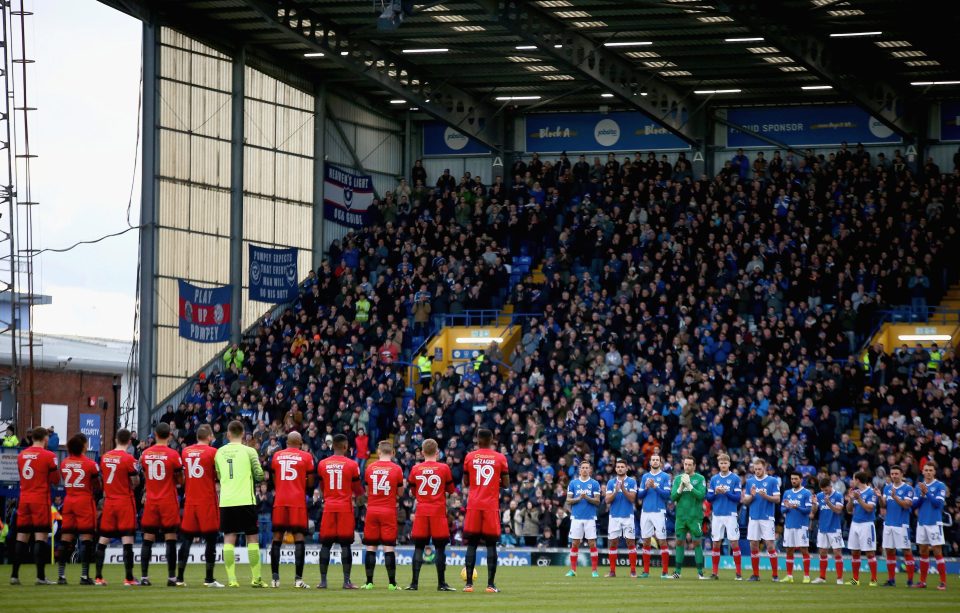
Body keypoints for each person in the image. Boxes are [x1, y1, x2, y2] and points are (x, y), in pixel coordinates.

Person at [215, 420, 267, 588]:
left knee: (229, 537)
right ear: (243, 434)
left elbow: (218, 474)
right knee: (252, 537)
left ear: (228, 434)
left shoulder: (219, 453)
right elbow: (259, 476)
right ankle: (256, 579)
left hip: (227, 500)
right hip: (245, 499)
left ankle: (232, 579)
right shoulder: (250, 451)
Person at [462, 428, 509, 593]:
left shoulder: (469, 457)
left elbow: (466, 481)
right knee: (491, 545)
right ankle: (490, 585)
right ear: (492, 440)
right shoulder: (500, 458)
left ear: (477, 439)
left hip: (474, 505)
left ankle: (468, 585)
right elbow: (507, 484)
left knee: (472, 544)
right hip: (490, 506)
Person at [10, 427, 59, 585]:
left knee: (22, 536)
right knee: (41, 537)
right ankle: (40, 577)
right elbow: (56, 479)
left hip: (24, 498)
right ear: (45, 439)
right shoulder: (49, 455)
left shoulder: (22, 455)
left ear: (31, 438)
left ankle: (14, 575)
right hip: (40, 499)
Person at [406, 438, 456, 591]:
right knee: (440, 548)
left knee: (419, 548)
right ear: (437, 452)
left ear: (422, 452)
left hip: (421, 511)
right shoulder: (444, 468)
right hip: (438, 511)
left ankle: (414, 583)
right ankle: (441, 584)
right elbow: (451, 490)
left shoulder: (415, 469)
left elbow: (413, 492)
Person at [139, 422, 184, 586]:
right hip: (168, 500)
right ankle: (171, 578)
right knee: (170, 538)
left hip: (151, 500)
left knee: (148, 537)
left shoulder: (145, 454)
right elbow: (180, 479)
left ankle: (144, 577)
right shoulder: (173, 454)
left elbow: (144, 474)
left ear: (155, 435)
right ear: (169, 435)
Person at [316, 433, 363, 589]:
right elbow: (358, 491)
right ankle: (346, 581)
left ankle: (323, 581)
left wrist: (325, 498)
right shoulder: (352, 465)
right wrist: (362, 501)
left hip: (329, 507)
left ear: (332, 446)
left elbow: (322, 488)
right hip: (344, 508)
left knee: (325, 545)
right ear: (345, 446)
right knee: (345, 545)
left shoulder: (322, 464)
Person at [178, 424, 222, 587]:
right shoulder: (213, 452)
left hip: (190, 500)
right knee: (211, 540)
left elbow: (183, 475)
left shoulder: (186, 451)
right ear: (209, 436)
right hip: (207, 500)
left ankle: (180, 578)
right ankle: (209, 579)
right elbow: (218, 475)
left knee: (187, 539)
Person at [269, 430, 314, 588]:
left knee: (277, 538)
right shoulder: (306, 457)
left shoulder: (277, 456)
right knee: (299, 538)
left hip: (280, 501)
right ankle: (298, 580)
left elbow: (274, 479)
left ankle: (275, 579)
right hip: (297, 502)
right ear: (300, 442)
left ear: (287, 442)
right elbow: (310, 484)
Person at [96, 428, 139, 586]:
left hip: (109, 501)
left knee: (103, 538)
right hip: (124, 502)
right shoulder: (129, 459)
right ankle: (128, 578)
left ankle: (98, 577)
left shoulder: (105, 457)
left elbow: (103, 479)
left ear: (115, 439)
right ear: (129, 441)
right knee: (127, 539)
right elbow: (135, 482)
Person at [56, 433, 100, 585]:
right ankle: (84, 576)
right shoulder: (90, 464)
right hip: (84, 501)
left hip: (69, 501)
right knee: (86, 539)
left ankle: (61, 576)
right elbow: (96, 484)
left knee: (66, 539)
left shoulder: (64, 463)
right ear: (82, 445)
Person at [361, 440, 404, 590]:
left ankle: (369, 582)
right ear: (392, 453)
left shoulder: (369, 467)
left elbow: (366, 492)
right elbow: (400, 492)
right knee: (389, 547)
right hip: (388, 510)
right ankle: (392, 583)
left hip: (372, 510)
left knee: (371, 547)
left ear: (378, 452)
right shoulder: (397, 469)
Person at [742, 458, 780, 582]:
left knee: (770, 545)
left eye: (759, 469)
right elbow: (745, 501)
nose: (757, 471)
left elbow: (777, 499)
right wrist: (752, 495)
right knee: (753, 545)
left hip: (767, 518)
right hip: (753, 517)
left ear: (765, 468)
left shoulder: (772, 481)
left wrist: (766, 496)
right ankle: (755, 574)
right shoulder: (750, 482)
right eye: (755, 469)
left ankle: (775, 575)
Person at [706, 452, 742, 580]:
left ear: (729, 464)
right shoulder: (714, 479)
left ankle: (738, 573)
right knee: (716, 543)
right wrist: (715, 492)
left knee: (734, 542)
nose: (723, 465)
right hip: (717, 515)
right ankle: (715, 573)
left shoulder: (735, 479)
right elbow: (709, 498)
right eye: (721, 463)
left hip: (730, 515)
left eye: (725, 463)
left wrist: (726, 492)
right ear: (718, 464)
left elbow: (738, 498)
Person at [635, 452, 672, 579]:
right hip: (646, 512)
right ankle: (646, 571)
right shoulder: (645, 476)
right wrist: (646, 488)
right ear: (650, 462)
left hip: (659, 512)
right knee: (646, 541)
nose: (655, 462)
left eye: (657, 460)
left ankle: (665, 572)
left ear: (660, 462)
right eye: (653, 460)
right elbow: (639, 496)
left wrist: (655, 486)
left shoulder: (665, 476)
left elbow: (667, 495)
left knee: (662, 540)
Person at [669, 457, 706, 579]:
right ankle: (677, 572)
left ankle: (700, 572)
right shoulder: (678, 479)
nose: (687, 467)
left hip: (695, 517)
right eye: (685, 464)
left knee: (696, 542)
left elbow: (701, 496)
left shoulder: (700, 478)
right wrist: (680, 487)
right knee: (679, 542)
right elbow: (673, 497)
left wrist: (689, 486)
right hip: (681, 517)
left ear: (694, 466)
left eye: (690, 464)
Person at [879, 465, 915, 587]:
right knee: (889, 550)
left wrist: (895, 497)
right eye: (892, 474)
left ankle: (910, 580)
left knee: (906, 550)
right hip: (888, 523)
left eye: (896, 473)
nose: (894, 476)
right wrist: (879, 497)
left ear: (901, 474)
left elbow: (907, 505)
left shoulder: (908, 488)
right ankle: (891, 580)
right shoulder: (887, 488)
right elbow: (883, 506)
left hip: (901, 525)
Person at [914, 461, 947, 590]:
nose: (928, 472)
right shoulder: (919, 486)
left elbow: (938, 504)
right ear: (922, 471)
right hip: (922, 523)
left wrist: (926, 492)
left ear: (934, 472)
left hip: (934, 523)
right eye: (926, 470)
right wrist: (922, 495)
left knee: (938, 551)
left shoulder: (940, 485)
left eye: (930, 470)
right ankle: (922, 581)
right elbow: (914, 506)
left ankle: (943, 582)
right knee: (923, 551)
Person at [565, 459, 602, 578]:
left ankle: (594, 571)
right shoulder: (573, 483)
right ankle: (573, 570)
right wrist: (579, 498)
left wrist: (586, 497)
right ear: (580, 470)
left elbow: (597, 501)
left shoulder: (595, 483)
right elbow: (568, 500)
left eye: (587, 468)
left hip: (590, 517)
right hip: (576, 517)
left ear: (590, 470)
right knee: (575, 543)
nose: (585, 469)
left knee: (592, 543)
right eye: (583, 468)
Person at [604, 458, 638, 578]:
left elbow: (633, 499)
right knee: (613, 543)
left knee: (630, 542)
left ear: (626, 468)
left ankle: (633, 570)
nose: (620, 468)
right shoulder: (611, 482)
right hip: (614, 517)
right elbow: (607, 500)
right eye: (618, 467)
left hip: (628, 516)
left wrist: (623, 489)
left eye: (622, 467)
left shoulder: (632, 481)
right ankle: (612, 571)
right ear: (615, 469)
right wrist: (615, 491)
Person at [845, 470, 879, 586]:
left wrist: (859, 499)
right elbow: (849, 510)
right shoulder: (855, 492)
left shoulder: (871, 492)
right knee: (855, 552)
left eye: (853, 479)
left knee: (869, 553)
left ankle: (874, 579)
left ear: (858, 480)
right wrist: (850, 499)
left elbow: (870, 508)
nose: (852, 481)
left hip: (866, 525)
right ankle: (855, 579)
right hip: (855, 524)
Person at [811, 476, 845, 584]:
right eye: (822, 490)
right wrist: (814, 504)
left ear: (831, 486)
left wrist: (829, 502)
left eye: (826, 490)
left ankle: (839, 578)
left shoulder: (838, 495)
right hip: (822, 528)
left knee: (837, 552)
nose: (824, 492)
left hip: (834, 528)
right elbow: (814, 512)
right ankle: (822, 577)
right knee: (822, 552)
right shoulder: (820, 495)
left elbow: (838, 511)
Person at [780, 471, 812, 583]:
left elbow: (808, 510)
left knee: (804, 550)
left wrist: (796, 507)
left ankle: (806, 576)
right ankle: (789, 576)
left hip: (801, 526)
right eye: (792, 479)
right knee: (789, 550)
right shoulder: (787, 493)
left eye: (796, 479)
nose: (793, 481)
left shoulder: (806, 493)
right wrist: (787, 507)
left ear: (801, 480)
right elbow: (782, 509)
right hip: (789, 526)